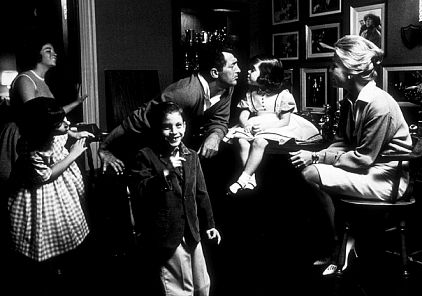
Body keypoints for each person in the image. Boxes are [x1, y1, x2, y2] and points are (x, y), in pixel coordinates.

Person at [289, 35, 412, 275]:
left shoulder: (379, 105)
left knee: (311, 173)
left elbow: (363, 158)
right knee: (306, 171)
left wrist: (315, 158)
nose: (331, 69)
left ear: (351, 71)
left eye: (335, 64)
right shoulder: (350, 101)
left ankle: (339, 243)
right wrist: (319, 154)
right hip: (365, 170)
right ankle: (347, 237)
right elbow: (341, 143)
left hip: (385, 178)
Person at [98, 44, 241, 175]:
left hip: (183, 146)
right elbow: (139, 119)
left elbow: (220, 120)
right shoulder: (185, 93)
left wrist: (215, 136)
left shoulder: (227, 87)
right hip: (148, 145)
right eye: (233, 66)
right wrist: (105, 147)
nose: (238, 70)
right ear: (215, 73)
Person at [127, 101, 221, 295]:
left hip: (191, 231)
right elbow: (140, 192)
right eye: (167, 127)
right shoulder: (145, 155)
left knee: (202, 286)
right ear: (157, 129)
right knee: (180, 289)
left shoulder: (192, 156)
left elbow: (200, 193)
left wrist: (209, 224)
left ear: (185, 126)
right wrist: (165, 173)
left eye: (178, 125)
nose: (174, 132)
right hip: (166, 234)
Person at [7, 97, 93, 288]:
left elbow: (64, 131)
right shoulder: (32, 149)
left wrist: (75, 134)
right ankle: (49, 269)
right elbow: (45, 177)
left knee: (68, 222)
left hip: (63, 187)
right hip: (40, 193)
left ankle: (66, 261)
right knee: (44, 226)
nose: (67, 123)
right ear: (45, 129)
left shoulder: (50, 132)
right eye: (61, 124)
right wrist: (73, 154)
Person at [224, 55, 320, 195]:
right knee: (242, 141)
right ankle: (250, 177)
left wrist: (264, 128)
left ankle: (244, 178)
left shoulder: (283, 95)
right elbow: (243, 115)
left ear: (266, 74)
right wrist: (246, 125)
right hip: (254, 123)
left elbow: (284, 121)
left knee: (259, 141)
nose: (248, 72)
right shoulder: (250, 94)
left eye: (252, 70)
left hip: (276, 125)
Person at [0, 38, 87, 189]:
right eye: (48, 50)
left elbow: (52, 115)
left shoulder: (43, 81)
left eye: (53, 50)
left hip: (42, 137)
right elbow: (37, 117)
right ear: (36, 55)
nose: (54, 53)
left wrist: (76, 106)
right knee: (29, 187)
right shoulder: (25, 79)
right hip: (26, 138)